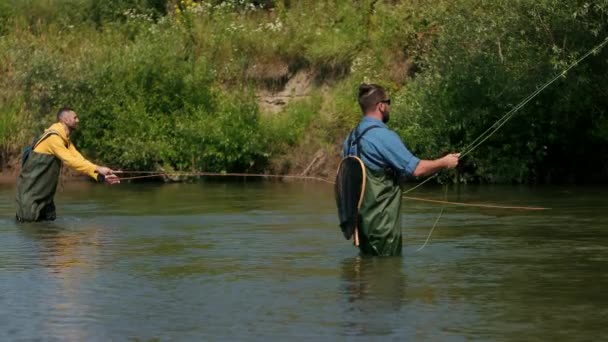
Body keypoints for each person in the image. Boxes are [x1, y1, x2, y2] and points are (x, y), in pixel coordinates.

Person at [342, 84, 459, 256]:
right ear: (381, 106)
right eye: (388, 102)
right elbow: (416, 169)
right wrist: (444, 162)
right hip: (384, 230)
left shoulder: (350, 138)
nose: (389, 106)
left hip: (361, 229)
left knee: (367, 277)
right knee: (387, 276)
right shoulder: (383, 137)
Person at [16, 106, 120, 222]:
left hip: (44, 195)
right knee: (28, 225)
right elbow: (70, 161)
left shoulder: (64, 139)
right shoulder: (53, 138)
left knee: (48, 225)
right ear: (65, 120)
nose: (78, 120)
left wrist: (100, 176)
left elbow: (78, 159)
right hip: (30, 195)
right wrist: (98, 168)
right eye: (75, 118)